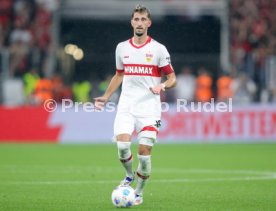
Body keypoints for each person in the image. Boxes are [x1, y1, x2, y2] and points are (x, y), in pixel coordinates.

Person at [94, 4, 176, 206]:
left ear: (149, 23)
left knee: (144, 155)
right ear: (132, 22)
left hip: (149, 109)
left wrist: (162, 86)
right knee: (122, 146)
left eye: (143, 19)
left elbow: (172, 77)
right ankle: (129, 176)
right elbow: (119, 74)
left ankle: (138, 192)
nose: (139, 23)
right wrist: (105, 96)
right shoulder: (122, 48)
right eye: (136, 19)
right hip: (126, 106)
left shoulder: (158, 49)